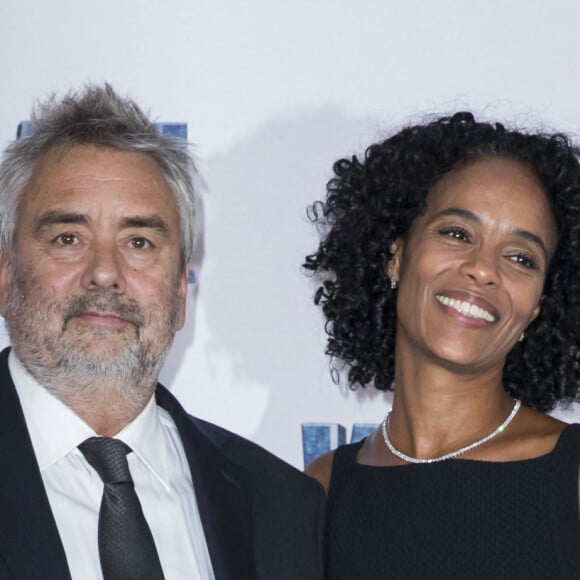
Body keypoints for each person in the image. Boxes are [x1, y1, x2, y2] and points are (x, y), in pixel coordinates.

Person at [0, 84, 324, 580]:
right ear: (6, 275)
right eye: (68, 238)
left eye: (139, 242)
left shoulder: (281, 506)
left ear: (179, 292)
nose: (104, 272)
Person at [304, 112, 580, 579]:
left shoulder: (571, 477)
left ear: (537, 306)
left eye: (520, 258)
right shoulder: (325, 488)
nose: (483, 269)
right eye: (457, 234)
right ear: (396, 256)